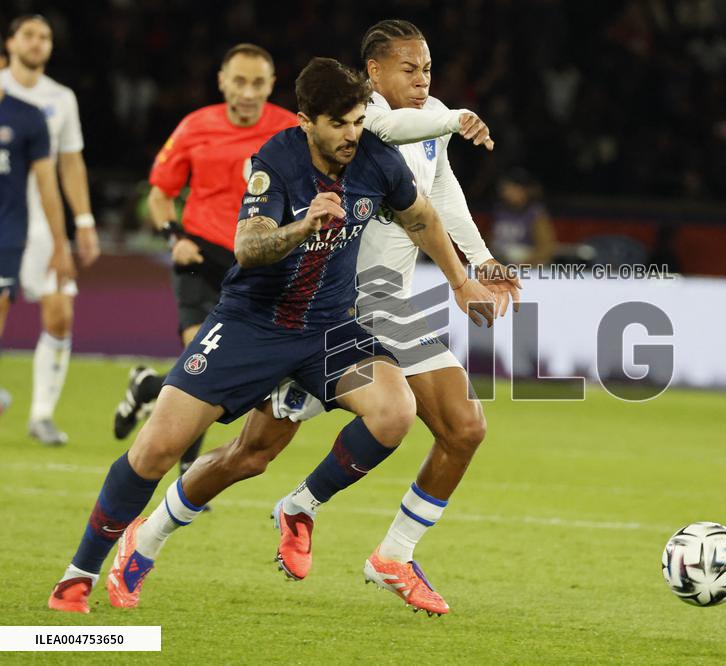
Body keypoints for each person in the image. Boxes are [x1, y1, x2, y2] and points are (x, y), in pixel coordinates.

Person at [47, 56, 497, 615]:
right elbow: (248, 246)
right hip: (252, 324)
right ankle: (83, 573)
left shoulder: (375, 159)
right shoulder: (277, 160)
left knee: (393, 412)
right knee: (164, 449)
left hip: (329, 328)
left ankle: (302, 506)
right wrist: (303, 224)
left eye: (359, 121)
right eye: (340, 124)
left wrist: (461, 280)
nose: (353, 135)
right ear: (308, 121)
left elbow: (423, 216)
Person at [110, 43, 297, 479]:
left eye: (257, 83)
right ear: (222, 81)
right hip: (200, 255)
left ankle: (147, 387)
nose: (248, 92)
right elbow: (160, 192)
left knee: (221, 376)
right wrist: (172, 236)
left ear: (271, 84)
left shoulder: (291, 132)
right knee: (199, 362)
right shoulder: (195, 127)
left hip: (259, 265)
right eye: (239, 81)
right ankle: (188, 469)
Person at [2, 14, 100, 444]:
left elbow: (70, 162)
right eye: (29, 35)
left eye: (45, 37)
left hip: (44, 220)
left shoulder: (60, 98)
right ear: (11, 42)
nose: (38, 43)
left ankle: (41, 414)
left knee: (60, 312)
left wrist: (83, 222)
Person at [1, 78, 75, 419]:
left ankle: (41, 415)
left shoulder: (36, 111)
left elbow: (56, 176)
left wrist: (69, 237)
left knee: (58, 313)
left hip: (25, 227)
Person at [491, 167, 556, 265]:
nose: (506, 193)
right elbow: (490, 240)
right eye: (504, 189)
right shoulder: (500, 211)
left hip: (526, 267)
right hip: (499, 263)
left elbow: (546, 249)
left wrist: (525, 261)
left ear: (523, 190)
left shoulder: (535, 214)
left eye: (511, 189)